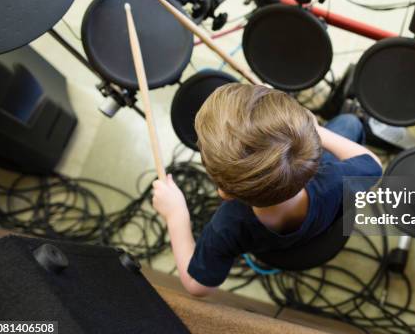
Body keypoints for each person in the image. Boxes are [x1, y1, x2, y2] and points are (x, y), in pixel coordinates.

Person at [152, 84, 382, 297]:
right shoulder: (333, 179)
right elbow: (373, 164)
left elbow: (196, 286)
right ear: (311, 151)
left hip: (274, 247)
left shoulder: (229, 225)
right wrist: (316, 129)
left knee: (349, 124)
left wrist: (176, 216)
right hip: (324, 225)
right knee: (350, 123)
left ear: (224, 192)